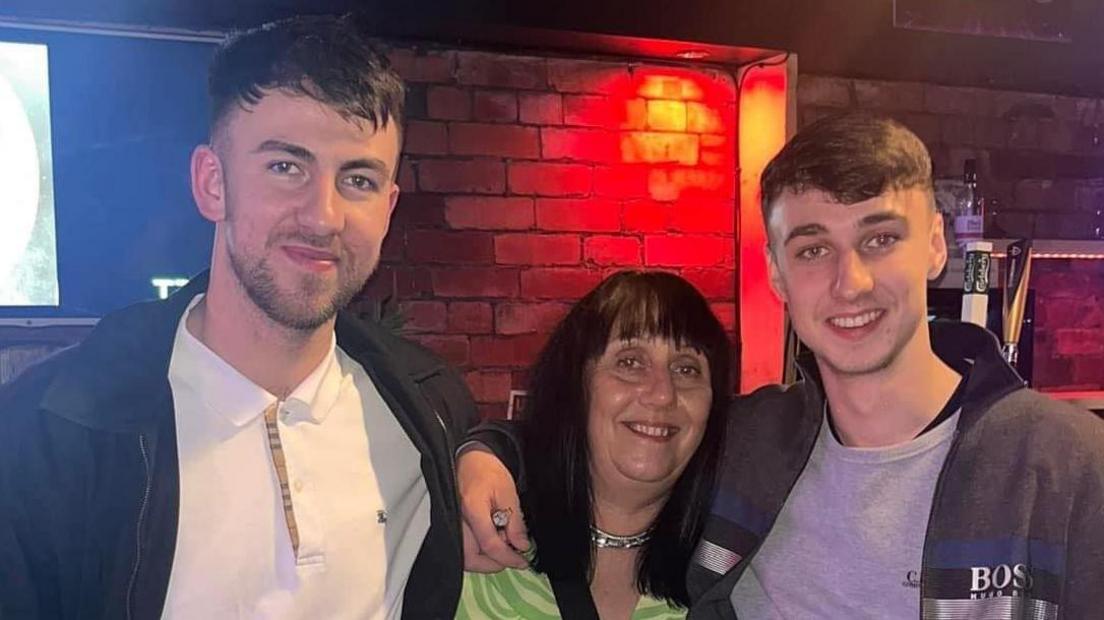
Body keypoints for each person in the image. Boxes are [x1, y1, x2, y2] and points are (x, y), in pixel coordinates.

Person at [458, 113, 1104, 619]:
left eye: (880, 239)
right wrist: (482, 456)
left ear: (936, 244)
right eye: (814, 247)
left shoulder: (1066, 463)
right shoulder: (752, 443)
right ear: (776, 273)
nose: (850, 283)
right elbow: (601, 439)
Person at [0, 15, 478, 620]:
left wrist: (488, 452)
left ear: (387, 209)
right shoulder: (50, 436)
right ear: (211, 183)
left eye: (357, 178)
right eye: (286, 166)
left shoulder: (428, 409)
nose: (323, 216)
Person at [456, 271, 730, 620]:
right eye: (630, 362)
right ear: (575, 385)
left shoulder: (731, 571)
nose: (663, 393)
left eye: (687, 369)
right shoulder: (480, 535)